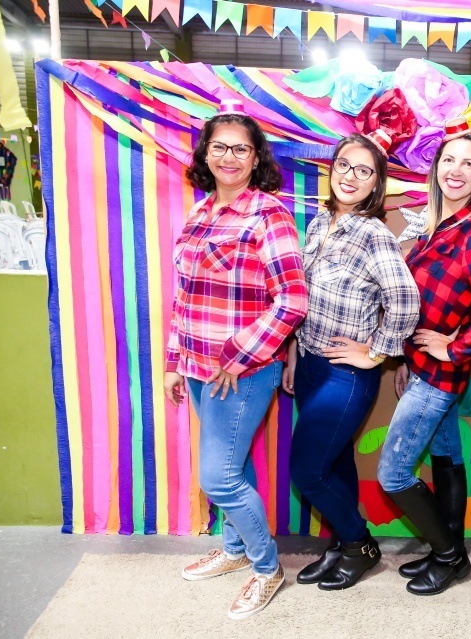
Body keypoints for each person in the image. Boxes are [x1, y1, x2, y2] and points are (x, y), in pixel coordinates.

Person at [163, 99, 307, 620]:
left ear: (255, 158)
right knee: (234, 464)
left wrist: (235, 356)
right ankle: (234, 548)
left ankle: (266, 568)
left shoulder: (269, 214)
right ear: (205, 154)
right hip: (198, 367)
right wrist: (174, 361)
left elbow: (292, 300)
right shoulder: (199, 213)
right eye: (220, 147)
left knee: (219, 477)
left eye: (241, 149)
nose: (229, 157)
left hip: (241, 371)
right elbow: (185, 295)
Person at [377, 119, 471, 596]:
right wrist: (407, 357)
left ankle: (449, 555)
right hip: (425, 369)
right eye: (449, 160)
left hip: (440, 375)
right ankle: (449, 551)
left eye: (469, 164)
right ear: (436, 167)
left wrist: (454, 348)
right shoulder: (441, 224)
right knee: (446, 454)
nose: (456, 170)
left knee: (393, 473)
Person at [283, 131, 420, 591]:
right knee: (334, 463)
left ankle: (361, 544)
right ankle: (342, 544)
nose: (350, 176)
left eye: (364, 170)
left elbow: (404, 299)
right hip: (309, 362)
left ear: (376, 183)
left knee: (307, 470)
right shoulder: (319, 223)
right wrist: (293, 352)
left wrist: (376, 351)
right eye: (344, 165)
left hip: (345, 375)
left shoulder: (373, 233)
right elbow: (302, 296)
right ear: (332, 169)